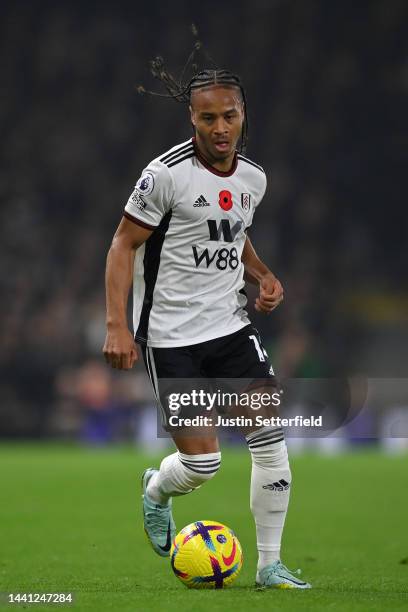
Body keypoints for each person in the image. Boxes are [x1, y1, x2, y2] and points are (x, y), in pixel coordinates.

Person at [103, 66, 311, 589]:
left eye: (230, 116)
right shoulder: (165, 175)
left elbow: (233, 235)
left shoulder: (253, 178)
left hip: (230, 328)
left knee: (270, 440)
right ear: (191, 118)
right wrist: (118, 325)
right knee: (204, 466)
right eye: (208, 117)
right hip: (172, 338)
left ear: (244, 115)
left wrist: (262, 276)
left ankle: (270, 566)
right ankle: (156, 489)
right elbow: (123, 244)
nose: (220, 127)